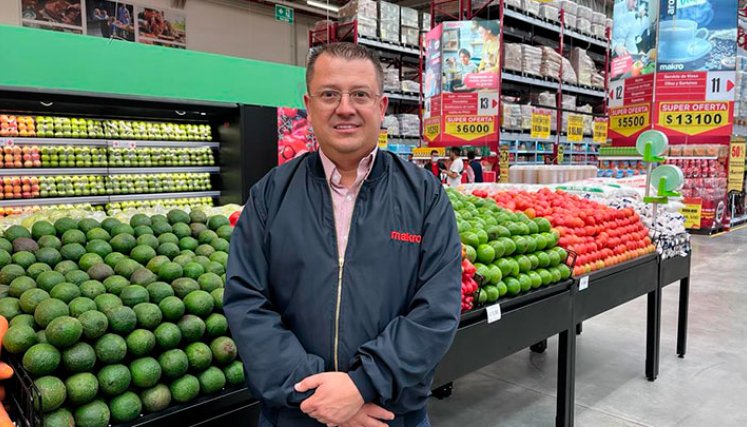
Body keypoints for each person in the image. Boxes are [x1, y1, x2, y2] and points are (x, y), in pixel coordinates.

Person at [224, 42, 461, 427]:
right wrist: (319, 396)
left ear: (381, 107)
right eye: (330, 94)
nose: (345, 107)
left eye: (360, 95)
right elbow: (247, 302)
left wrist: (361, 385)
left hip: (389, 416)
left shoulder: (424, 196)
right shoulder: (270, 194)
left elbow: (437, 308)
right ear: (309, 104)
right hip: (295, 415)